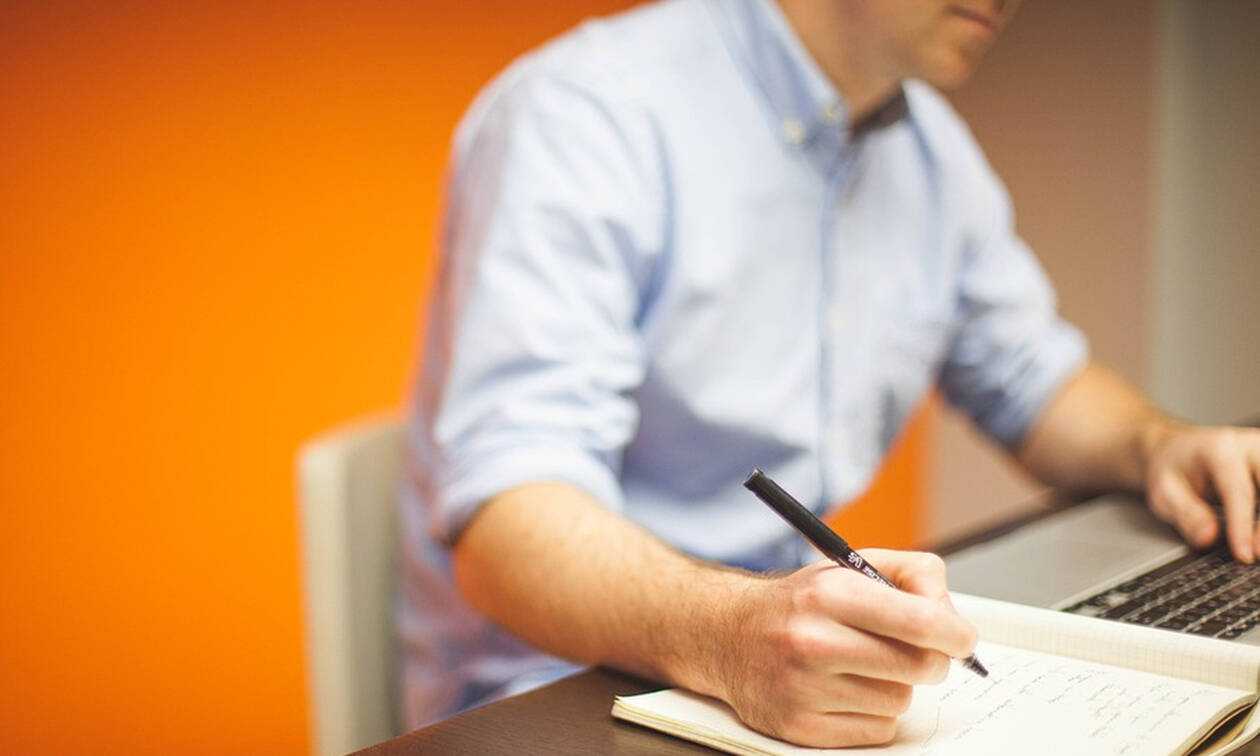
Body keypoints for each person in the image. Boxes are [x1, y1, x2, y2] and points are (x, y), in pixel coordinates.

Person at [398, 0, 1260, 746]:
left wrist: (1158, 447)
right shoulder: (585, 115)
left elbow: (1031, 378)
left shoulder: (928, 151)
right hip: (560, 696)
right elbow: (506, 529)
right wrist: (731, 636)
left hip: (778, 667)